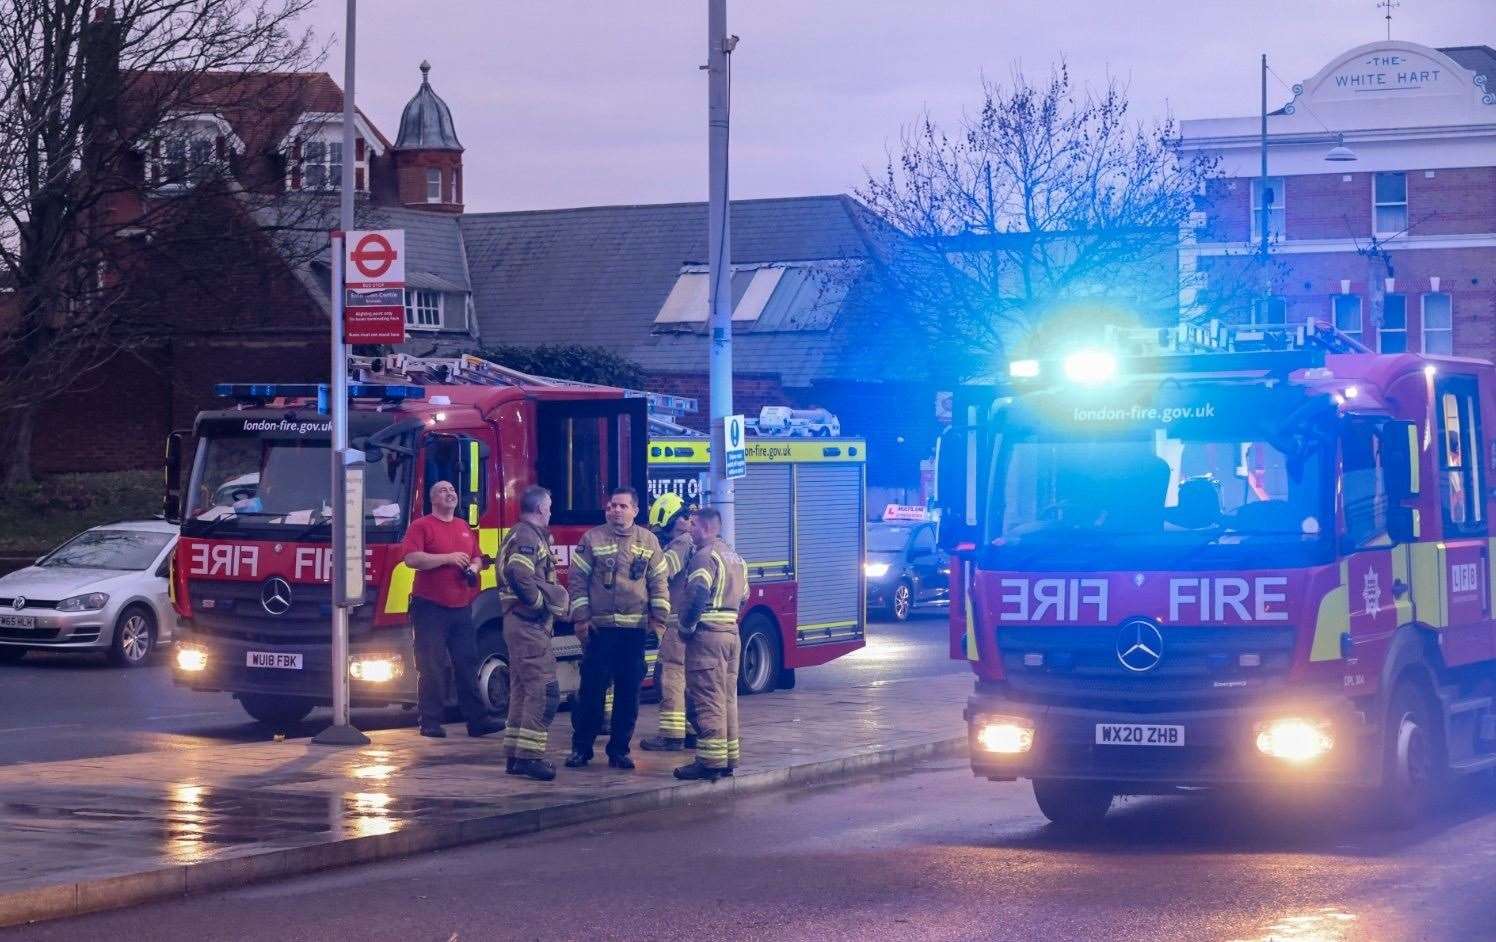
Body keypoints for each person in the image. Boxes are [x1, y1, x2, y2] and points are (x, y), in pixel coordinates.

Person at [565, 486, 670, 770]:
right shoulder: (592, 538)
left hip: (634, 631)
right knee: (591, 692)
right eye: (612, 505)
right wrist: (582, 618)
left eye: (622, 506)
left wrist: (659, 621)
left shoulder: (648, 541)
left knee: (628, 695)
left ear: (635, 510)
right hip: (599, 630)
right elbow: (577, 581)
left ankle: (619, 751)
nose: (615, 510)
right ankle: (581, 749)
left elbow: (659, 583)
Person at [399, 480, 505, 739]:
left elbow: (478, 557)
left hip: (462, 607)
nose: (450, 494)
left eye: (453, 490)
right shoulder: (421, 526)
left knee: (467, 664)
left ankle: (477, 721)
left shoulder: (464, 527)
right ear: (433, 499)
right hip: (430, 607)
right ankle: (430, 722)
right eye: (443, 491)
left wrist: (473, 568)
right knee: (431, 665)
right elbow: (411, 559)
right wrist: (447, 558)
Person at [497, 485, 569, 781]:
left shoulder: (520, 533)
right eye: (549, 506)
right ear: (540, 509)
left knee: (524, 690)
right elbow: (519, 573)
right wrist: (540, 604)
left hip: (518, 624)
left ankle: (516, 755)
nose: (550, 511)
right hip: (528, 624)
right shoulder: (527, 536)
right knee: (544, 691)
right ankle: (530, 758)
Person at [674, 507, 749, 782]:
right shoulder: (736, 558)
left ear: (705, 528)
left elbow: (696, 595)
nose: (688, 530)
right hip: (732, 634)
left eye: (692, 526)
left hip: (708, 636)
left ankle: (709, 762)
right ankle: (728, 758)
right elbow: (744, 597)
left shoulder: (704, 558)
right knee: (728, 697)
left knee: (707, 698)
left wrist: (685, 628)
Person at [640, 493, 698, 752]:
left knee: (670, 674)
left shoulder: (682, 543)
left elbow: (663, 571)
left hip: (677, 623)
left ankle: (672, 735)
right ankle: (690, 729)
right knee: (691, 678)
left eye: (662, 531)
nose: (662, 536)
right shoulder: (699, 541)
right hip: (693, 623)